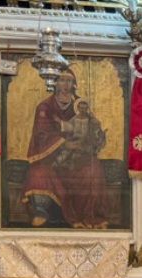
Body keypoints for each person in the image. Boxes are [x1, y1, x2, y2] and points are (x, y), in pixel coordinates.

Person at [21, 70, 109, 228]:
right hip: (51, 156)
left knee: (94, 170)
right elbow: (41, 134)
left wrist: (95, 136)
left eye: (69, 81)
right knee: (38, 173)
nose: (65, 84)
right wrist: (64, 143)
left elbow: (92, 127)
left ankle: (89, 215)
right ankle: (42, 212)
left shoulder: (81, 106)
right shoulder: (45, 107)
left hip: (77, 155)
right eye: (61, 80)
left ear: (74, 84)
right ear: (55, 83)